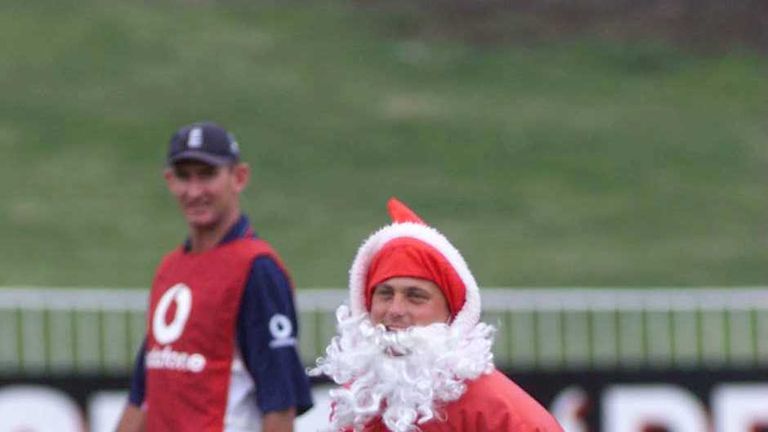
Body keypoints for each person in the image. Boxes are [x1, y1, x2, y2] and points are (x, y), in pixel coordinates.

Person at [116, 122, 313, 432]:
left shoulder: (257, 268)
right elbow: (142, 395)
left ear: (239, 177)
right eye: (184, 176)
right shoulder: (170, 268)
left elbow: (280, 404)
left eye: (207, 175)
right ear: (170, 181)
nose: (194, 191)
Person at [310, 198, 563, 431]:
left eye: (415, 296)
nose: (395, 310)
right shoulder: (355, 401)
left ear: (452, 312)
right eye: (385, 294)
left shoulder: (498, 412)